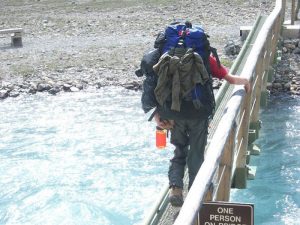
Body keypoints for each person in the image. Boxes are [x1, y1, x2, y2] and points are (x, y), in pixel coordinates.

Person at [153, 54, 250, 207]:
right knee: (196, 154)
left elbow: (153, 84)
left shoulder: (165, 52)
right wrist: (245, 81)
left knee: (179, 151)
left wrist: (157, 115)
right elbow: (230, 79)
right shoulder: (202, 53)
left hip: (173, 114)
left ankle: (176, 189)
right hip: (198, 114)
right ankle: (194, 196)